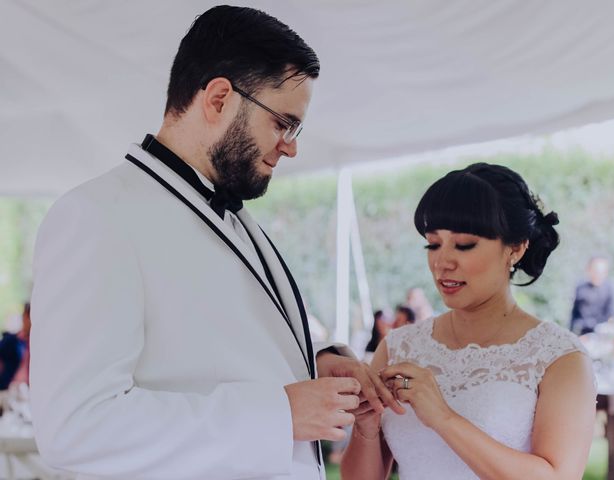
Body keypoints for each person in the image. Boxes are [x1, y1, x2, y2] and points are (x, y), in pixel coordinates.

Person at [30, 6, 400, 480]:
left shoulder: (237, 217)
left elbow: (208, 354)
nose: (291, 146)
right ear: (220, 97)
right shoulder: (96, 217)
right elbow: (75, 429)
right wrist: (278, 413)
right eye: (284, 123)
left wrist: (313, 366)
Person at [341, 163, 596, 480]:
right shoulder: (398, 347)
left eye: (464, 245)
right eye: (433, 244)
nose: (442, 262)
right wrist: (366, 428)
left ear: (515, 249)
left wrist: (444, 418)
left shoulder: (560, 359)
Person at [569, 255, 614, 335]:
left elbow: (611, 315)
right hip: (582, 331)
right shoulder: (581, 287)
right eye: (596, 271)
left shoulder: (609, 289)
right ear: (589, 270)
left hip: (601, 333)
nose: (599, 275)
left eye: (602, 272)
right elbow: (575, 314)